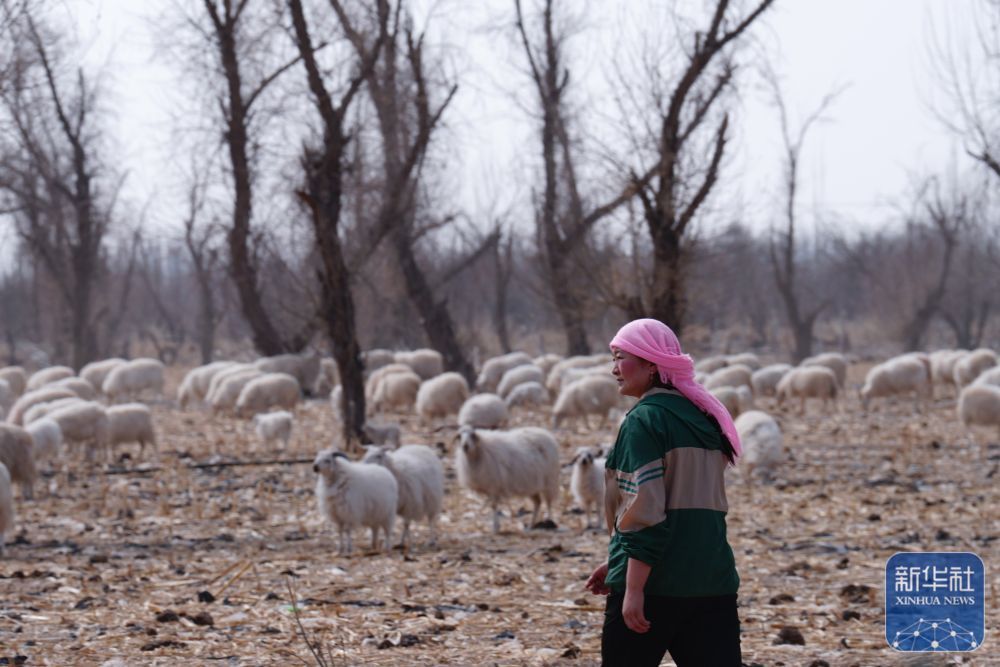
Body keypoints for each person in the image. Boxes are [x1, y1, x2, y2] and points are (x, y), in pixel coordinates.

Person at [585, 318, 743, 666]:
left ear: (652, 365)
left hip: (657, 587)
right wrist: (616, 561)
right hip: (712, 583)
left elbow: (646, 512)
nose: (613, 369)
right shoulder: (704, 417)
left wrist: (634, 587)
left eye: (620, 357)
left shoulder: (644, 420)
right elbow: (685, 506)